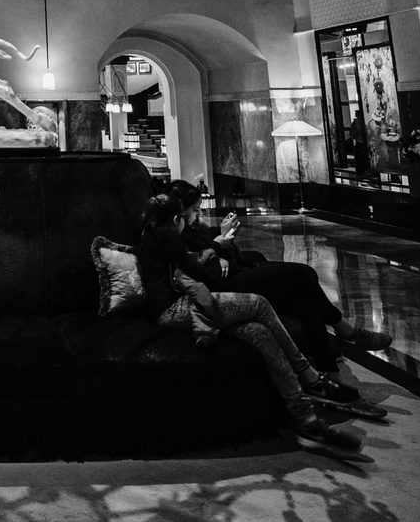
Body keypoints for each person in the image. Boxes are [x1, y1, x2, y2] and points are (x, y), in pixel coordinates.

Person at [137, 192, 368, 458]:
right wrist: (225, 287)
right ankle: (310, 377)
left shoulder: (153, 235)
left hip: (178, 306)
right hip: (174, 309)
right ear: (176, 218)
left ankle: (307, 420)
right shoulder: (164, 235)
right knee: (258, 304)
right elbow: (193, 268)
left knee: (259, 332)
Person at [169, 180, 391, 372]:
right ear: (181, 211)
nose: (199, 214)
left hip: (236, 270)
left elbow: (214, 245)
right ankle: (345, 330)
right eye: (195, 210)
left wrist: (222, 235)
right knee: (303, 273)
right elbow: (196, 264)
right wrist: (218, 248)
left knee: (307, 303)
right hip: (225, 284)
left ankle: (329, 373)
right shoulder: (174, 233)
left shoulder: (193, 226)